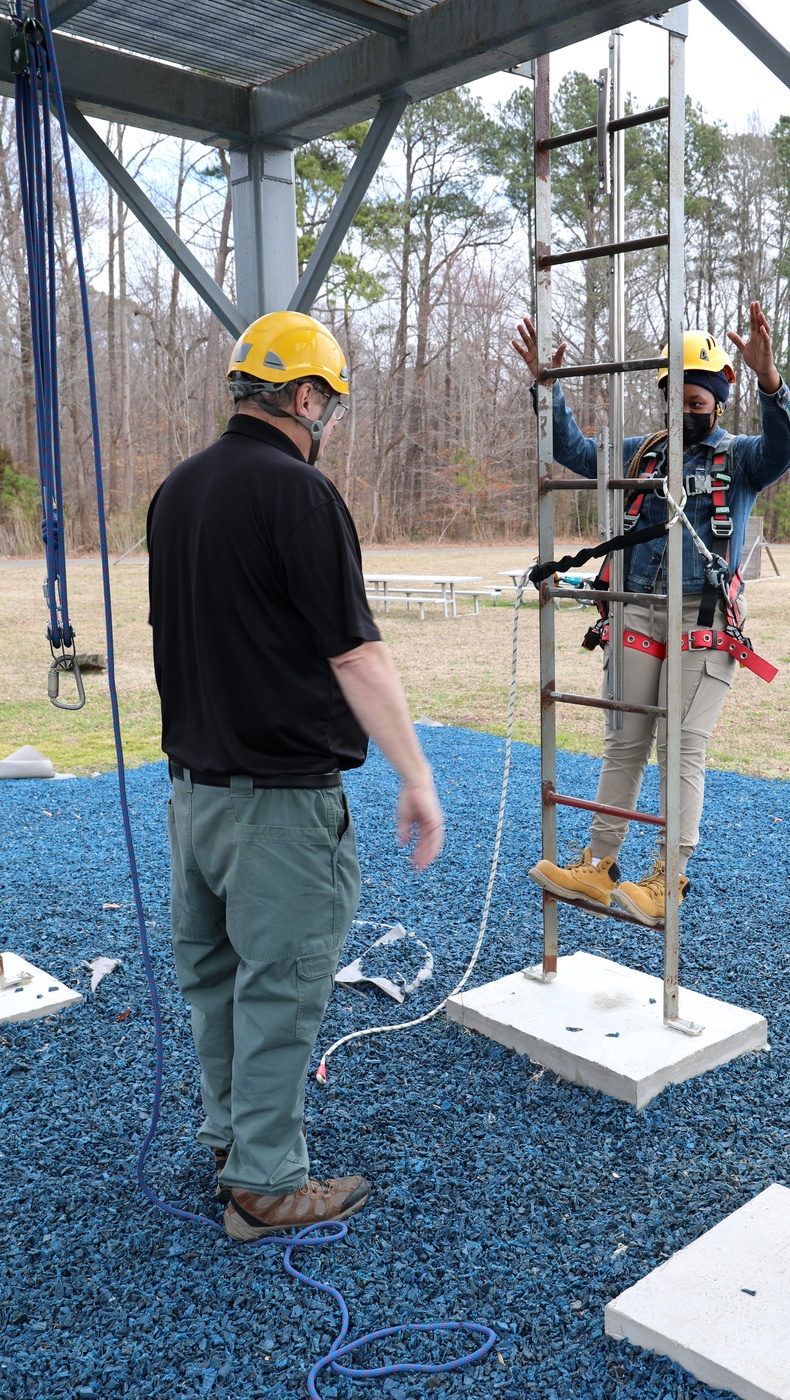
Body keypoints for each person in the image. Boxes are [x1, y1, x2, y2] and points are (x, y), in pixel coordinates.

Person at [146, 310, 443, 1242]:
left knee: (216, 979)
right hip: (278, 805)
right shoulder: (300, 497)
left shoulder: (176, 491)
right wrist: (415, 776)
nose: (327, 423)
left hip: (192, 797)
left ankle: (234, 1139)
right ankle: (266, 1186)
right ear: (308, 396)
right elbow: (356, 656)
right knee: (280, 987)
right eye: (329, 403)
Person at [512, 303, 790, 924]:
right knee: (624, 742)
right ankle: (597, 867)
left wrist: (771, 382)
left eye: (700, 402)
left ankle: (669, 877)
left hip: (703, 620)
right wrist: (547, 389)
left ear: (719, 403)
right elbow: (574, 451)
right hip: (637, 612)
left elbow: (785, 448)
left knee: (681, 747)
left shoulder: (742, 459)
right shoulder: (642, 454)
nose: (689, 412)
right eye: (679, 400)